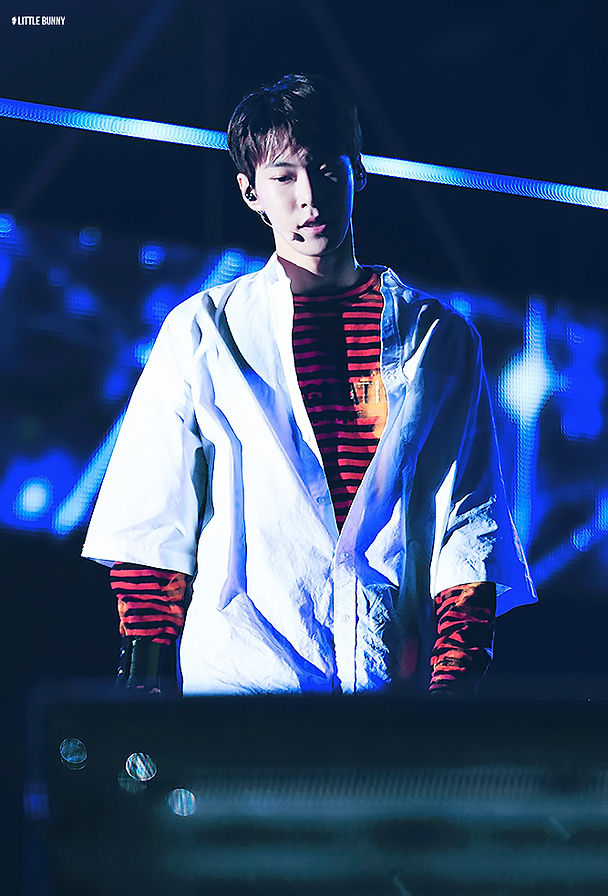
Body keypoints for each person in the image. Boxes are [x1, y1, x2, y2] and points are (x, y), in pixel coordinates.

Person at [82, 73, 536, 697]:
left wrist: (451, 692)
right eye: (284, 177)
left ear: (358, 172)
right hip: (243, 682)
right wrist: (145, 697)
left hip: (387, 689)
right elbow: (153, 526)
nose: (309, 198)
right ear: (251, 192)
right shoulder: (203, 331)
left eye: (326, 170)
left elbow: (468, 526)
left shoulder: (440, 339)